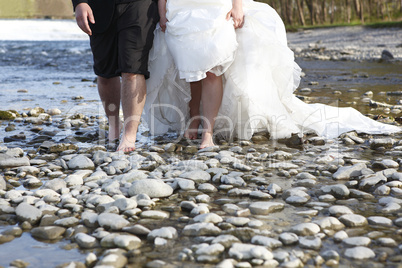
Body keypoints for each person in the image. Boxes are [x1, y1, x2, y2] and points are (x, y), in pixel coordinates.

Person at [144, 0, 400, 148]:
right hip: (181, 8)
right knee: (192, 70)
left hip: (214, 7)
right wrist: (163, 9)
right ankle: (194, 120)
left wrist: (236, 5)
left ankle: (207, 133)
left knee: (212, 68)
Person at [72, 0, 159, 152]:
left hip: (141, 5)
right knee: (105, 72)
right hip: (99, 8)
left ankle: (129, 135)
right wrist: (79, 3)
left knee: (133, 69)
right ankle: (114, 126)